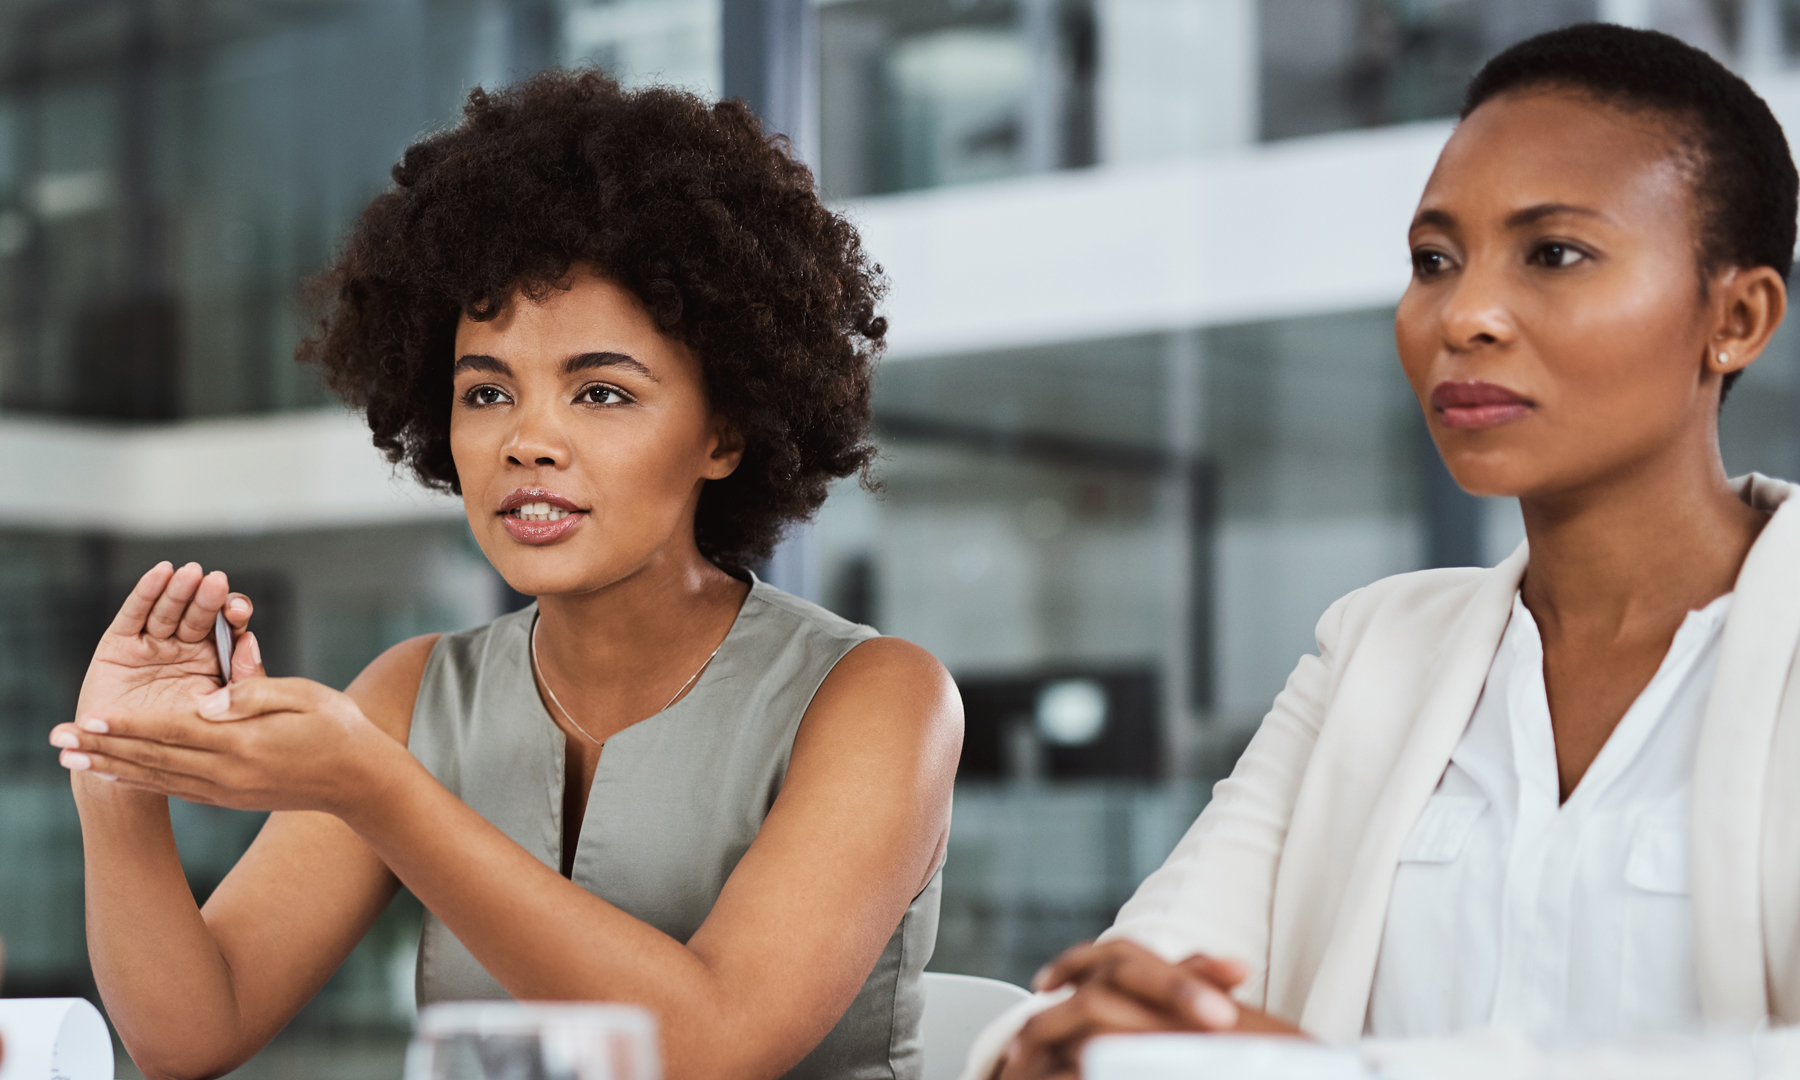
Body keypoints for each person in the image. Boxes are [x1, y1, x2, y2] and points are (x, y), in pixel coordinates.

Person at [48, 71, 961, 1080]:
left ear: (725, 431)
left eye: (602, 392)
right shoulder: (414, 695)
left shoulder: (879, 698)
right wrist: (120, 772)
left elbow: (708, 1046)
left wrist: (381, 796)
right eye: (486, 392)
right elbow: (190, 1032)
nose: (528, 441)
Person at [964, 23, 1800, 1080]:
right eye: (1433, 261)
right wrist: (1064, 1036)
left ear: (1737, 316)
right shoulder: (1375, 650)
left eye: (1554, 253)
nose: (1466, 314)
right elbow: (1119, 986)